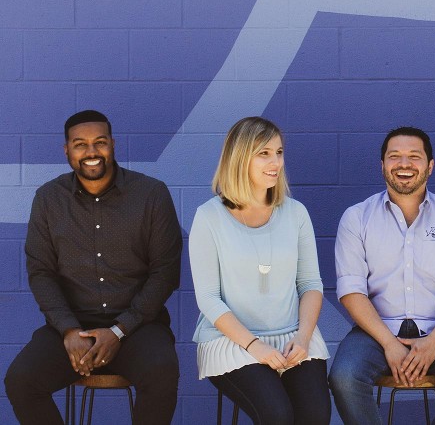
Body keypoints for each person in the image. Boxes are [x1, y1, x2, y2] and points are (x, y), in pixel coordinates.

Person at [4, 110, 182, 424]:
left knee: (162, 371)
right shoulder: (48, 199)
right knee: (21, 380)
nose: (91, 152)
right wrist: (69, 329)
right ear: (67, 151)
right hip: (73, 327)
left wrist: (118, 330)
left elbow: (165, 272)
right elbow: (41, 272)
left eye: (100, 143)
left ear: (113, 145)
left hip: (137, 327)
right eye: (80, 144)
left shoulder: (151, 194)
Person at [329, 126, 435, 425]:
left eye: (414, 156)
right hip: (375, 331)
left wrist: (434, 341)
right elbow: (351, 290)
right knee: (344, 377)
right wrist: (389, 343)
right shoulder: (356, 217)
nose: (404, 164)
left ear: (430, 166)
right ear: (382, 165)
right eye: (394, 156)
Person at [189, 117, 330, 425]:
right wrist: (255, 346)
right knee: (277, 415)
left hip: (293, 337)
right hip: (233, 343)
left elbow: (310, 284)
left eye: (279, 152)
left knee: (316, 416)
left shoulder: (295, 213)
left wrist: (304, 338)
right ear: (240, 158)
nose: (275, 162)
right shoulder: (209, 217)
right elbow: (209, 299)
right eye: (264, 153)